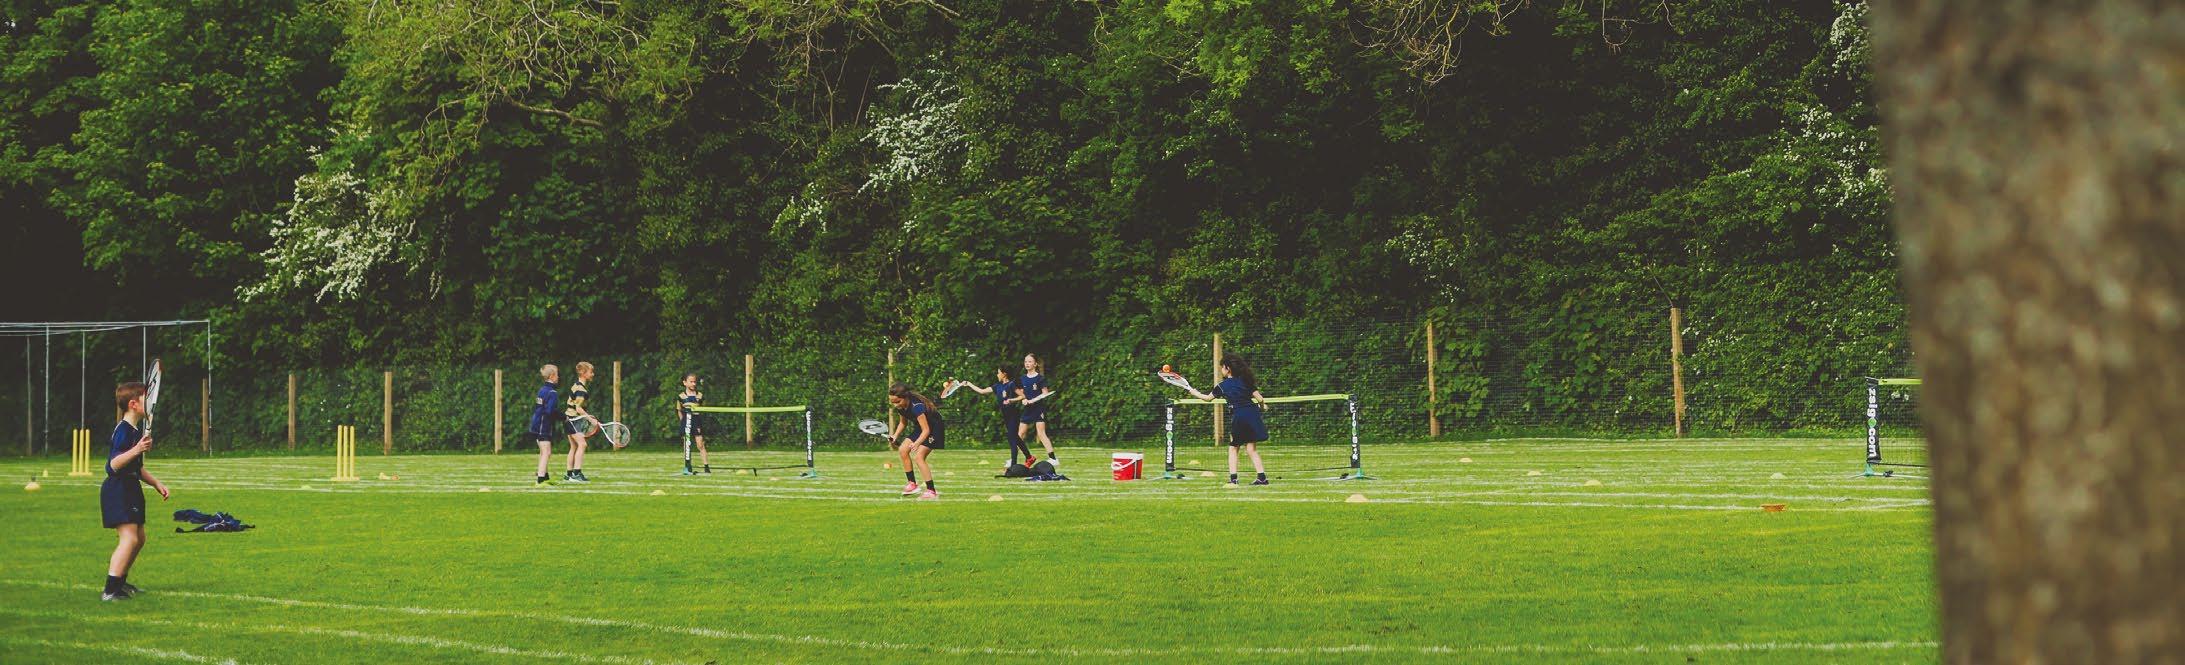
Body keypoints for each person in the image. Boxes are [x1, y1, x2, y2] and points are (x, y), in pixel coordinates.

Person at [99, 381, 169, 601]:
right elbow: (113, 465)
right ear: (133, 404)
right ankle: (110, 590)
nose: (151, 403)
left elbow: (136, 468)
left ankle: (120, 581)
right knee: (129, 539)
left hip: (130, 487)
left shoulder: (135, 431)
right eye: (146, 399)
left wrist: (156, 483)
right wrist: (137, 449)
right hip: (118, 489)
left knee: (139, 538)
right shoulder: (123, 431)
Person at [1178, 355, 1269, 486]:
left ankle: (1234, 479)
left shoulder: (1222, 386)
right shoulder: (1246, 381)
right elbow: (1260, 399)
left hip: (1239, 416)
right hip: (1253, 414)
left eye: (1222, 367)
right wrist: (1262, 407)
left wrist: (1194, 392)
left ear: (1228, 369)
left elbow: (1207, 398)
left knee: (1233, 448)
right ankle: (1262, 478)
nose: (1221, 370)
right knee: (1251, 449)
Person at [953, 366, 1031, 466]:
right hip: (1006, 415)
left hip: (1013, 414)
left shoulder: (1011, 385)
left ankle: (1013, 465)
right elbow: (982, 391)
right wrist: (969, 383)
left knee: (1012, 439)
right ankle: (1029, 457)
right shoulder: (997, 386)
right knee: (1015, 437)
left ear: (1004, 374)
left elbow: (1023, 396)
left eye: (998, 372)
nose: (997, 375)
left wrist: (1012, 400)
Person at [888, 382, 946, 500]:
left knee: (919, 457)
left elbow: (926, 430)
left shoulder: (917, 407)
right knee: (903, 450)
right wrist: (895, 435)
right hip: (922, 428)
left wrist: (917, 443)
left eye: (897, 401)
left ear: (905, 397)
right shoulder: (900, 406)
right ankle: (912, 484)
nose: (895, 405)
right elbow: (903, 423)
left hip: (935, 428)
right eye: (892, 402)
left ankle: (931, 491)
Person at [1016, 354, 1058, 465]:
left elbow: (1045, 393)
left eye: (1030, 361)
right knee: (1020, 434)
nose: (1027, 364)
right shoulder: (1022, 379)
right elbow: (1022, 394)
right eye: (1026, 361)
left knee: (1041, 433)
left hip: (1038, 409)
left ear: (1035, 364)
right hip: (1027, 410)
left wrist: (1033, 400)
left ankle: (1053, 459)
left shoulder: (1040, 378)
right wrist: (1024, 400)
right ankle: (1013, 459)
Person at [561, 361, 596, 483]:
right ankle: (576, 474)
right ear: (583, 373)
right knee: (582, 444)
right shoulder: (581, 390)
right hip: (573, 420)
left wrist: (586, 416)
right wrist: (590, 419)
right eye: (591, 372)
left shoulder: (576, 385)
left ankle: (569, 474)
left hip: (569, 419)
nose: (592, 374)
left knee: (574, 446)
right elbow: (578, 408)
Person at [529, 364, 560, 485]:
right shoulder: (552, 392)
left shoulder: (542, 390)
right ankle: (540, 480)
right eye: (557, 375)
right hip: (543, 425)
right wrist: (564, 417)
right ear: (552, 376)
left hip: (536, 424)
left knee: (545, 452)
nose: (558, 377)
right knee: (546, 452)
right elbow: (550, 411)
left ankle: (545, 477)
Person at [678, 373, 711, 475]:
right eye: (691, 381)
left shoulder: (699, 395)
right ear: (685, 383)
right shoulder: (681, 396)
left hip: (696, 420)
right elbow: (679, 410)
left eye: (694, 382)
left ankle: (706, 466)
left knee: (700, 444)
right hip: (686, 421)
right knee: (686, 444)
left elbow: (703, 408)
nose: (693, 384)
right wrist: (682, 421)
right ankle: (688, 466)